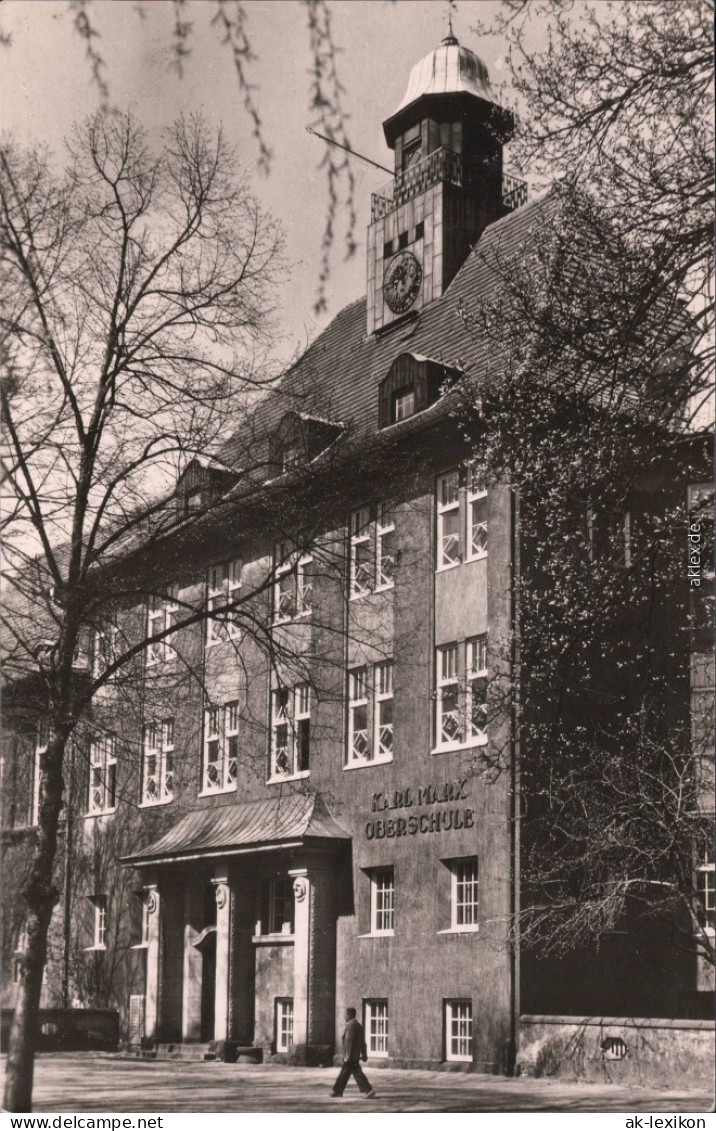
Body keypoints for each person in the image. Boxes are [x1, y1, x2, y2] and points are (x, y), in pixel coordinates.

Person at [331, 1008, 376, 1098]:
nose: (344, 1017)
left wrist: (347, 1056)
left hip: (350, 1056)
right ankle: (338, 1091)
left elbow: (349, 1041)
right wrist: (364, 1054)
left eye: (345, 1015)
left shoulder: (351, 1026)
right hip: (354, 1055)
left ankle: (369, 1090)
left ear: (349, 1015)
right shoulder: (358, 1026)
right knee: (345, 1073)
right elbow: (363, 1042)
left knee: (355, 1074)